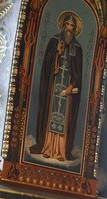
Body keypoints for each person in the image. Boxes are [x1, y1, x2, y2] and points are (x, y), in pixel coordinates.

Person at [30, 11, 83, 160]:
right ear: (63, 25)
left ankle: (60, 150)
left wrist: (72, 86)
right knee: (50, 114)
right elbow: (47, 65)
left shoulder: (77, 48)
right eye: (67, 24)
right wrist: (57, 55)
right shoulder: (54, 41)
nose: (69, 28)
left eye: (72, 26)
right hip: (53, 86)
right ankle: (47, 147)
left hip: (67, 89)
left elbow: (78, 71)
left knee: (64, 118)